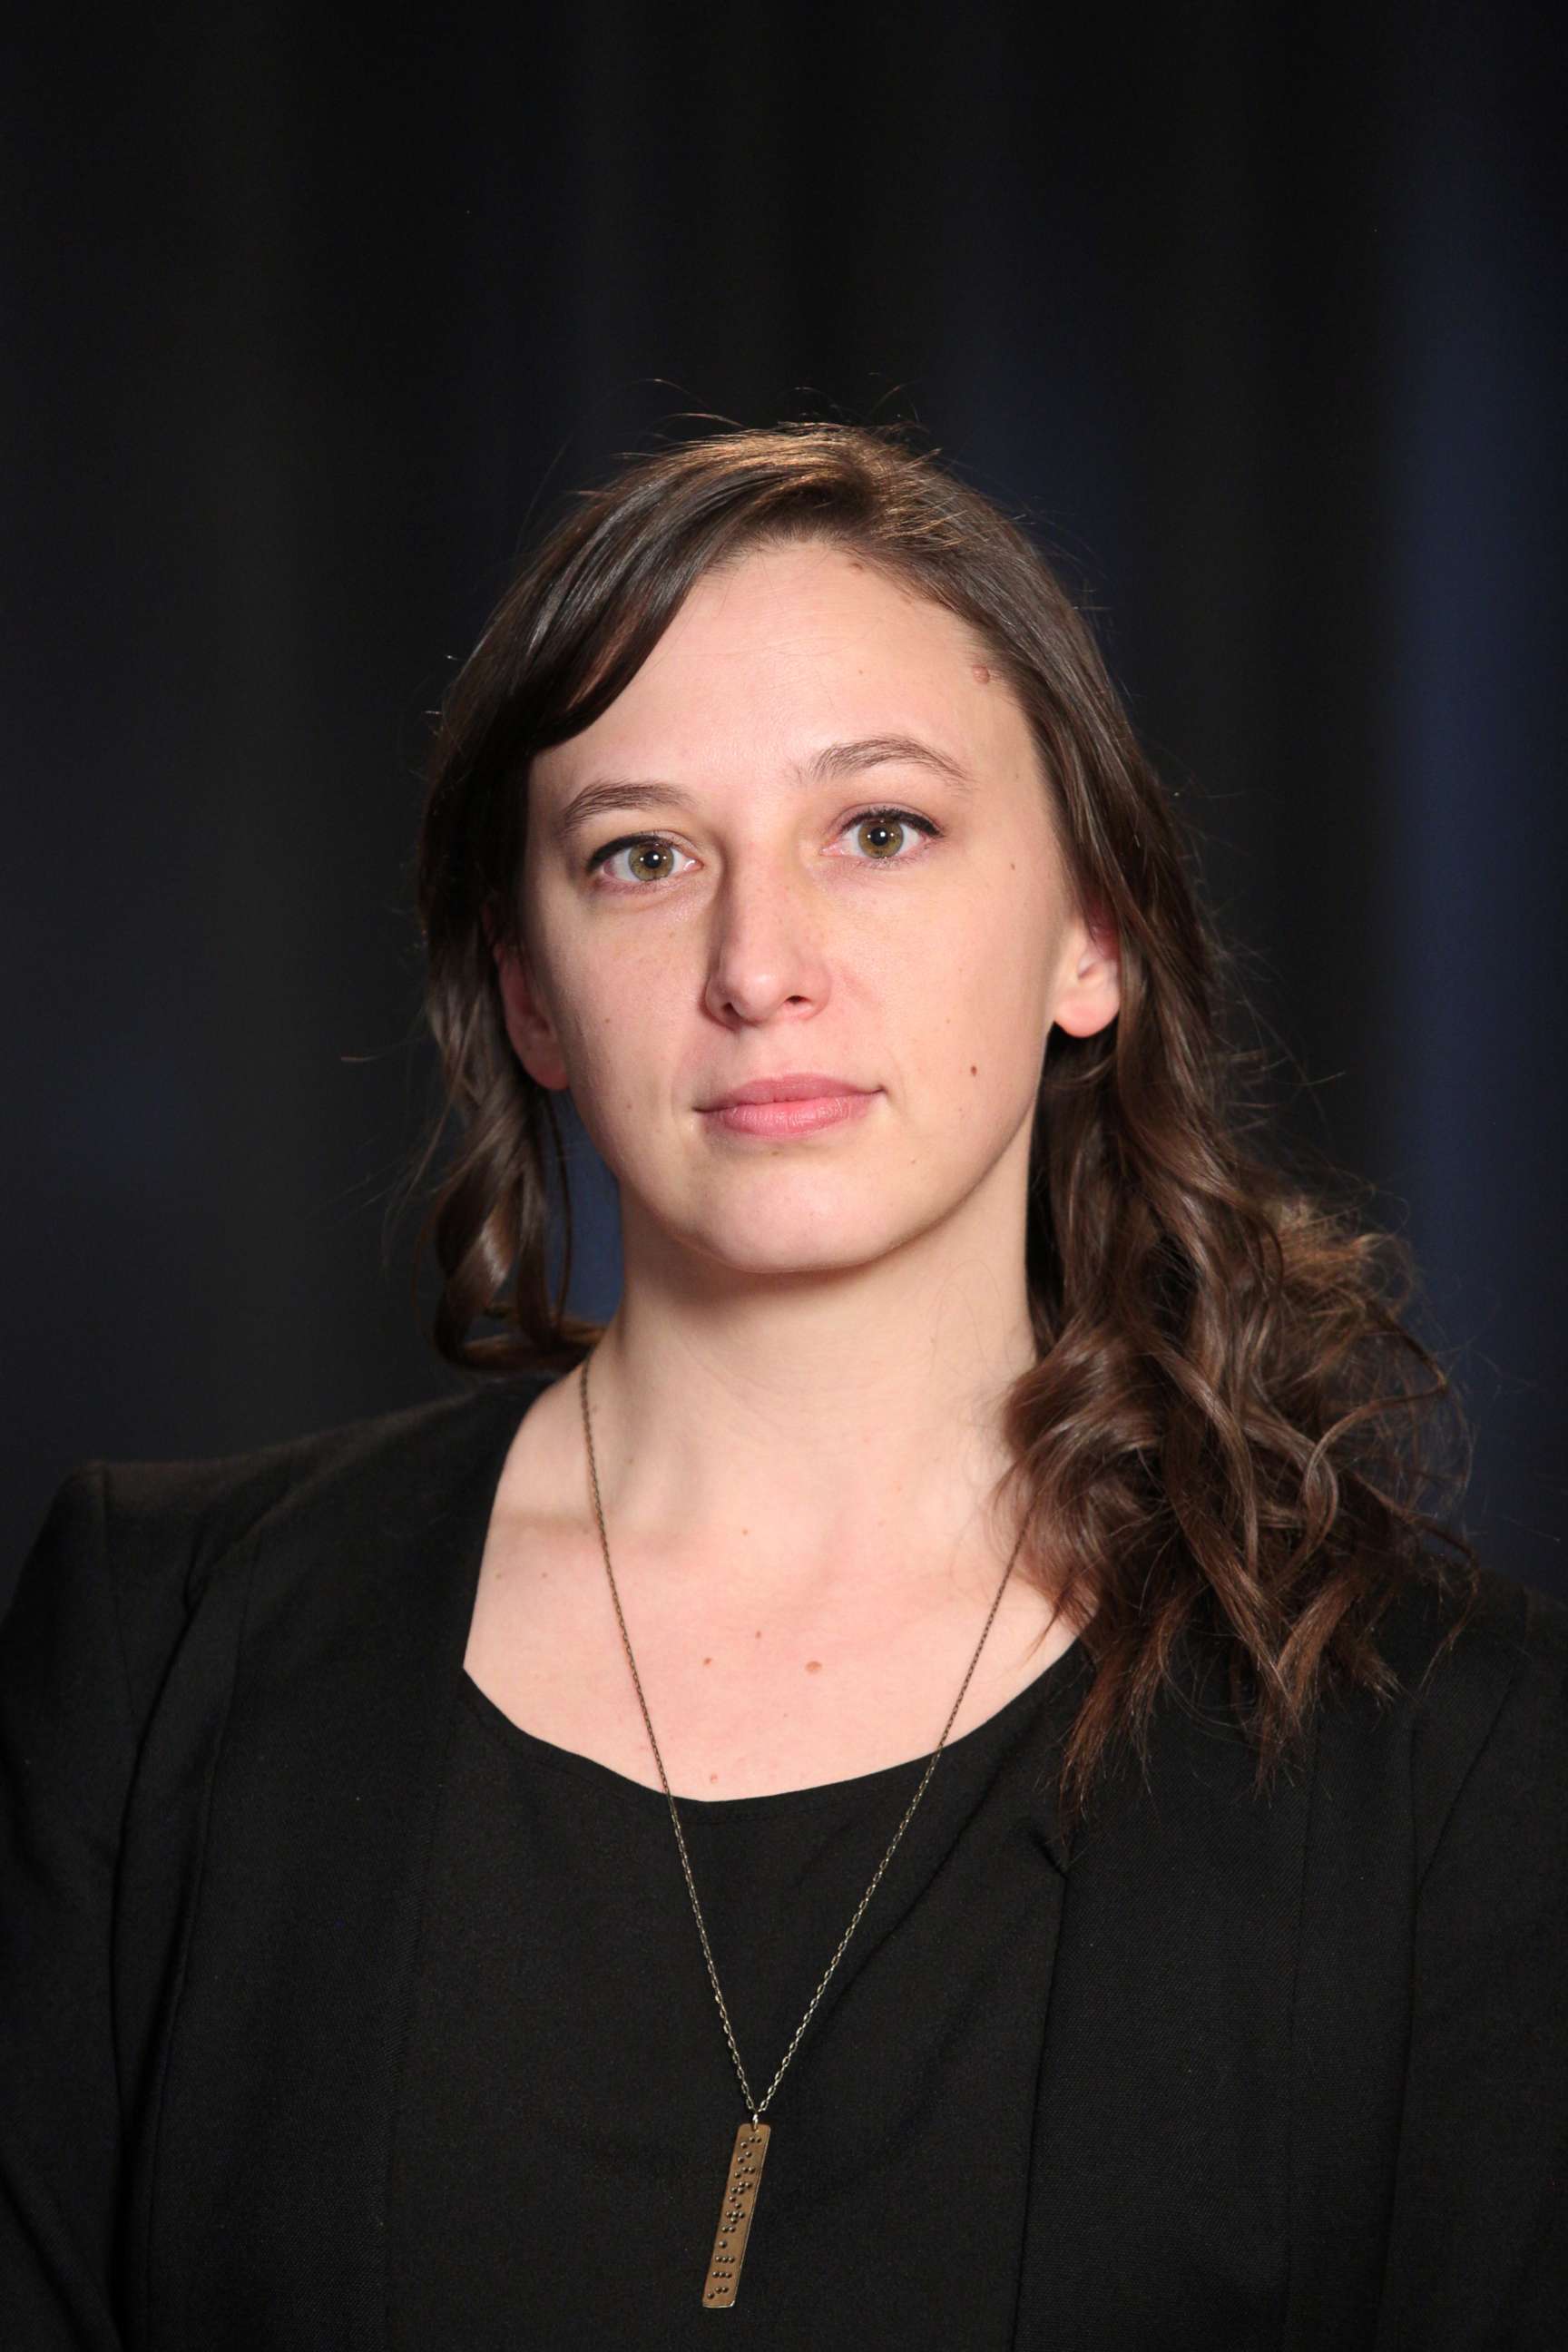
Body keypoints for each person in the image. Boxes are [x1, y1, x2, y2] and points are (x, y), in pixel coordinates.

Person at [3, 419, 1563, 2351]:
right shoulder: (165, 1649)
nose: (762, 964)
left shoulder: (1451, 1756)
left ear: (1096, 933)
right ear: (526, 990)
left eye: (881, 829)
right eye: (643, 856)